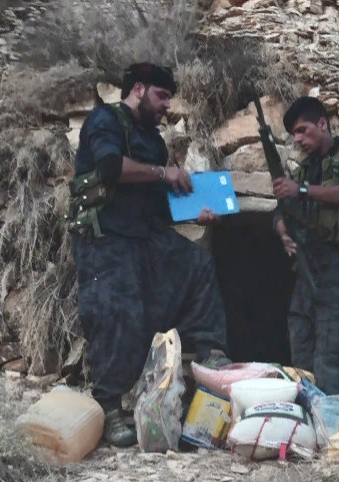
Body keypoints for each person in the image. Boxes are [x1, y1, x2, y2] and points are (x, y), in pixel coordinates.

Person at [71, 63, 231, 447]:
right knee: (116, 311)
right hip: (106, 240)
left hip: (145, 237)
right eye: (162, 97)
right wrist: (164, 174)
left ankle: (210, 355)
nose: (166, 107)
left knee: (197, 264)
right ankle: (109, 407)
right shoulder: (105, 119)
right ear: (138, 89)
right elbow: (109, 167)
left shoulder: (153, 141)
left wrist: (197, 213)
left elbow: (161, 209)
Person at [271, 96, 339, 395]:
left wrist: (302, 190)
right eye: (294, 134)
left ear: (322, 124)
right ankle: (306, 412)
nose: (298, 139)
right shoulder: (304, 170)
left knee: (332, 348)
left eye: (303, 130)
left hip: (338, 265)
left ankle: (330, 422)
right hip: (307, 266)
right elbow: (282, 210)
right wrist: (282, 229)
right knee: (300, 337)